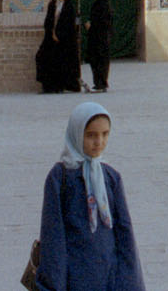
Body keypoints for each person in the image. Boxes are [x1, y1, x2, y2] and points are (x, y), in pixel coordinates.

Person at [33, 102, 143, 291]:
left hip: (108, 272)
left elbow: (124, 230)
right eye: (91, 135)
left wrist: (130, 280)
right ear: (76, 133)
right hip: (74, 274)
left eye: (105, 134)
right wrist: (53, 282)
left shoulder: (110, 176)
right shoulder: (60, 177)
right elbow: (53, 233)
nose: (99, 142)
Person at [38, 0, 72, 93]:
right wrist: (52, 33)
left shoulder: (68, 7)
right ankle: (48, 86)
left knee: (60, 62)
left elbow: (69, 25)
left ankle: (60, 86)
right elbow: (48, 21)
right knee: (42, 57)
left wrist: (60, 35)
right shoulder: (52, 5)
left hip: (63, 41)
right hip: (50, 40)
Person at [84, 0, 115, 94]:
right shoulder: (95, 4)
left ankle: (101, 83)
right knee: (95, 60)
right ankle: (97, 83)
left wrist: (91, 25)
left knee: (101, 61)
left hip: (102, 38)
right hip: (94, 38)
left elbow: (105, 22)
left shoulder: (105, 5)